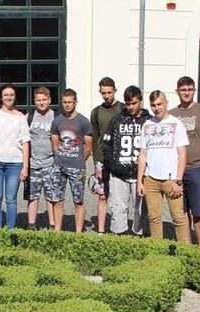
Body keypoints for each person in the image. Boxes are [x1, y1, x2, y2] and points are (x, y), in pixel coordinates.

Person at [169, 76, 200, 246]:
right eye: (183, 90)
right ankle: (186, 245)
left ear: (194, 90)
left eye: (190, 89)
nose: (187, 93)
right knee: (181, 210)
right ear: (177, 92)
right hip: (177, 170)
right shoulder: (172, 115)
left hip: (198, 167)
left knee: (198, 210)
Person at [136, 90, 189, 241]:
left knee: (178, 219)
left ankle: (184, 252)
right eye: (153, 105)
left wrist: (179, 180)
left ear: (166, 104)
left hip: (171, 179)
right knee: (154, 218)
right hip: (151, 179)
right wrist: (140, 180)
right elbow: (143, 154)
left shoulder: (176, 123)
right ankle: (157, 251)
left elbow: (182, 154)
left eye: (159, 104)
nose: (156, 108)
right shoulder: (147, 125)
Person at [101, 85, 149, 236]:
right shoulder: (117, 120)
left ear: (140, 101)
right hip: (119, 173)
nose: (130, 107)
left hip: (140, 174)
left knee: (140, 209)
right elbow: (106, 144)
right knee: (118, 208)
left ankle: (139, 236)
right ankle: (118, 238)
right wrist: (112, 164)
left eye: (134, 103)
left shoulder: (148, 121)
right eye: (127, 103)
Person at [0, 84, 30, 229]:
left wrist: (25, 167)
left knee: (11, 199)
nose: (9, 97)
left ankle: (10, 229)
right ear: (1, 97)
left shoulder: (21, 117)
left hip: (14, 164)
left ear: (15, 97)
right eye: (6, 95)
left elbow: (25, 143)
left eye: (11, 95)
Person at [47, 89, 92, 232]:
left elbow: (88, 148)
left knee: (78, 200)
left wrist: (77, 159)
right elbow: (54, 145)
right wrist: (62, 156)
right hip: (59, 166)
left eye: (70, 102)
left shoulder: (83, 121)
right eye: (64, 102)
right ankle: (57, 231)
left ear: (75, 102)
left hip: (77, 167)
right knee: (57, 200)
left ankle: (78, 232)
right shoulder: (57, 121)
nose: (67, 105)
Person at [89, 77, 123, 233]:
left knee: (119, 197)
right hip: (101, 161)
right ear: (100, 92)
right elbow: (95, 138)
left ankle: (118, 229)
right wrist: (96, 162)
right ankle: (101, 230)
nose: (107, 96)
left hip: (120, 160)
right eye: (103, 93)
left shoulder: (123, 108)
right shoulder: (96, 112)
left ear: (115, 91)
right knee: (102, 196)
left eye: (109, 92)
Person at [26, 87, 55, 230]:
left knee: (51, 196)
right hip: (33, 164)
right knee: (33, 195)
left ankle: (53, 224)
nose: (41, 102)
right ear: (34, 101)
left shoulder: (56, 117)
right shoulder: (29, 117)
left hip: (51, 163)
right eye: (38, 100)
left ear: (49, 100)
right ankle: (31, 224)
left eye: (44, 100)